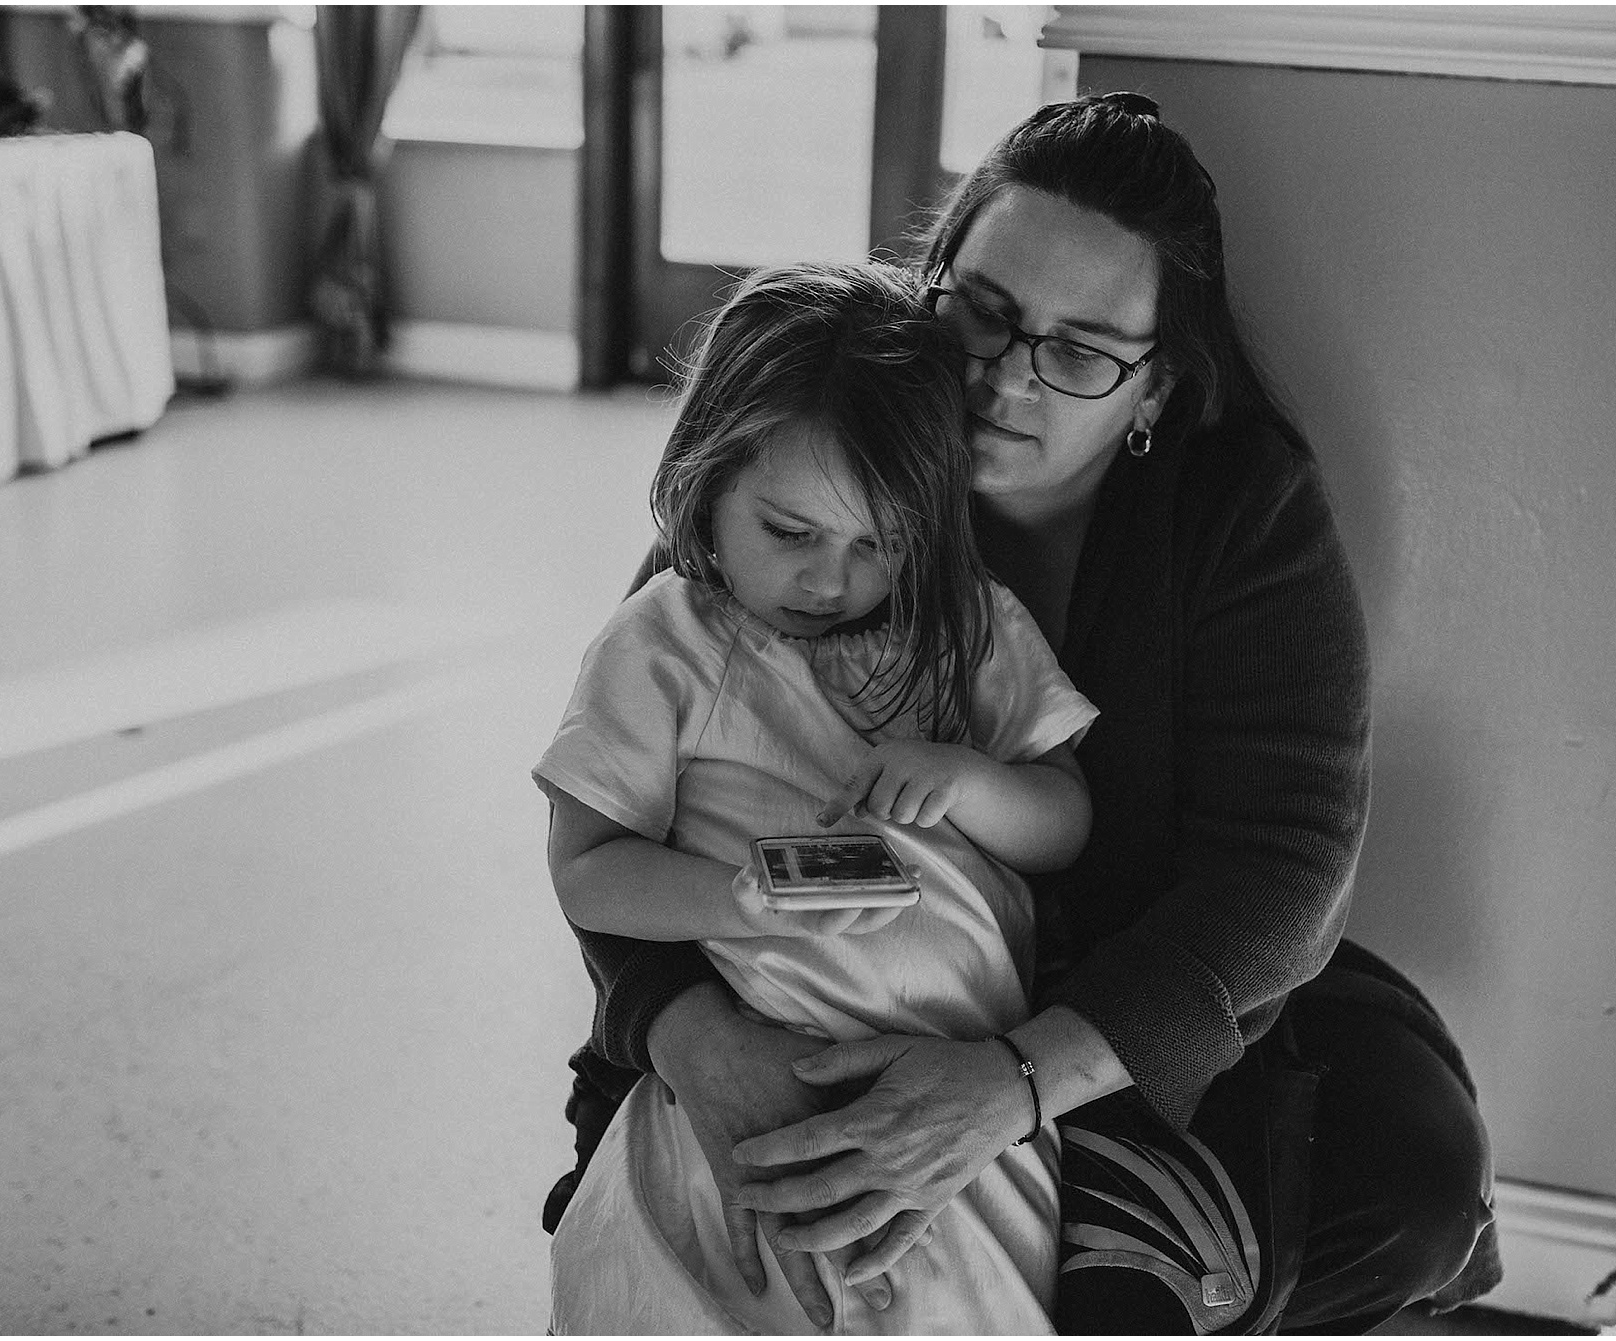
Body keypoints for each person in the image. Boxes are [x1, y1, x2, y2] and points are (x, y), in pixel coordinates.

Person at [551, 92, 1502, 1333]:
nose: (1003, 378)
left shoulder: (1241, 516)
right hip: (811, 987)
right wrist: (698, 1041)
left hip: (1111, 997)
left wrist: (1009, 1085)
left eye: (1081, 352)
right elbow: (615, 809)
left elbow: (1282, 873)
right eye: (983, 313)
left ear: (1153, 390)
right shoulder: (818, 457)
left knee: (1412, 1187)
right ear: (931, 283)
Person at [534, 262, 1102, 1333]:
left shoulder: (970, 625)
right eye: (789, 531)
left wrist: (974, 781)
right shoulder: (664, 640)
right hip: (747, 1068)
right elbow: (587, 868)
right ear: (706, 482)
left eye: (877, 543)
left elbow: (1064, 826)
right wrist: (730, 899)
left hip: (957, 1083)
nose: (830, 581)